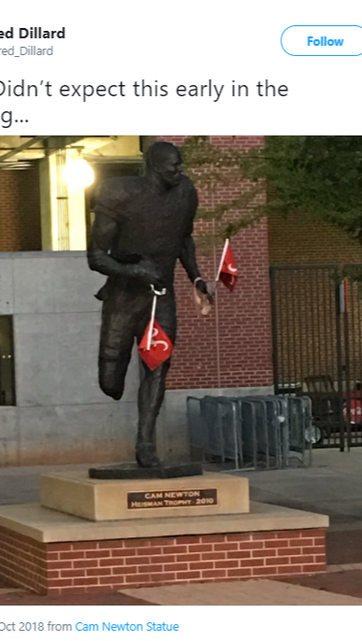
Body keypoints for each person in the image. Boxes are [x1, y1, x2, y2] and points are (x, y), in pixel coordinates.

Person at [87, 142, 213, 468]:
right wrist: (133, 270)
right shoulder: (119, 193)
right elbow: (96, 257)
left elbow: (184, 238)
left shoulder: (186, 193)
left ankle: (145, 441)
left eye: (180, 165)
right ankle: (113, 380)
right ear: (155, 167)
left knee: (157, 366)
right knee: (110, 381)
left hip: (160, 295)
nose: (179, 170)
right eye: (173, 166)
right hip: (124, 294)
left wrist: (196, 279)